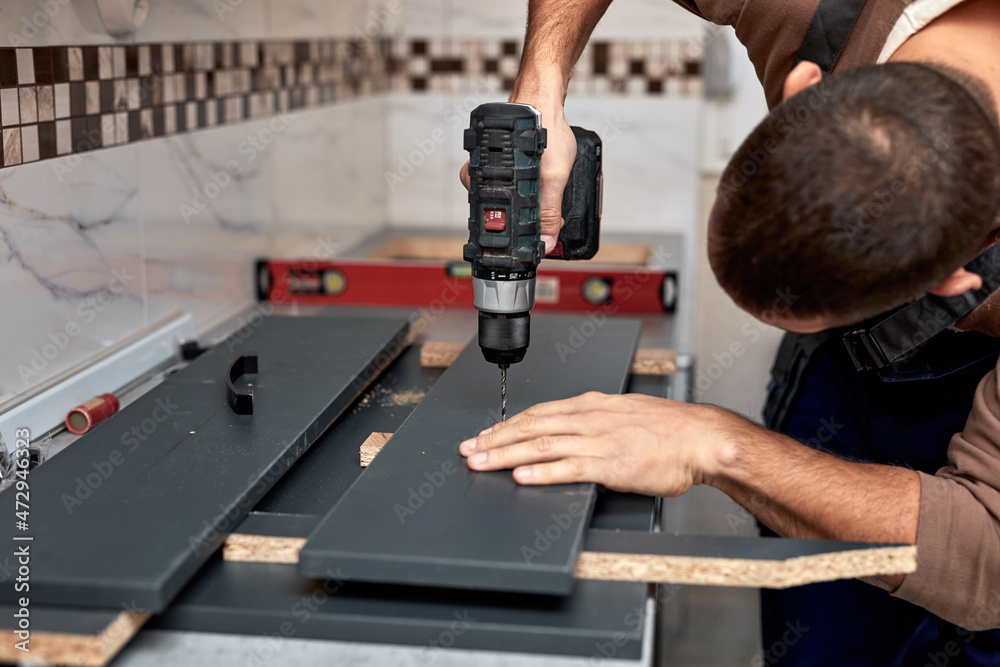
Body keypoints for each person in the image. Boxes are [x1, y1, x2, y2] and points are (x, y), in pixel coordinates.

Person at [458, 0, 1000, 663]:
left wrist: (718, 445)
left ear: (952, 278)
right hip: (842, 373)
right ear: (807, 86)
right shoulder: (808, 11)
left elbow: (985, 556)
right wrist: (541, 81)